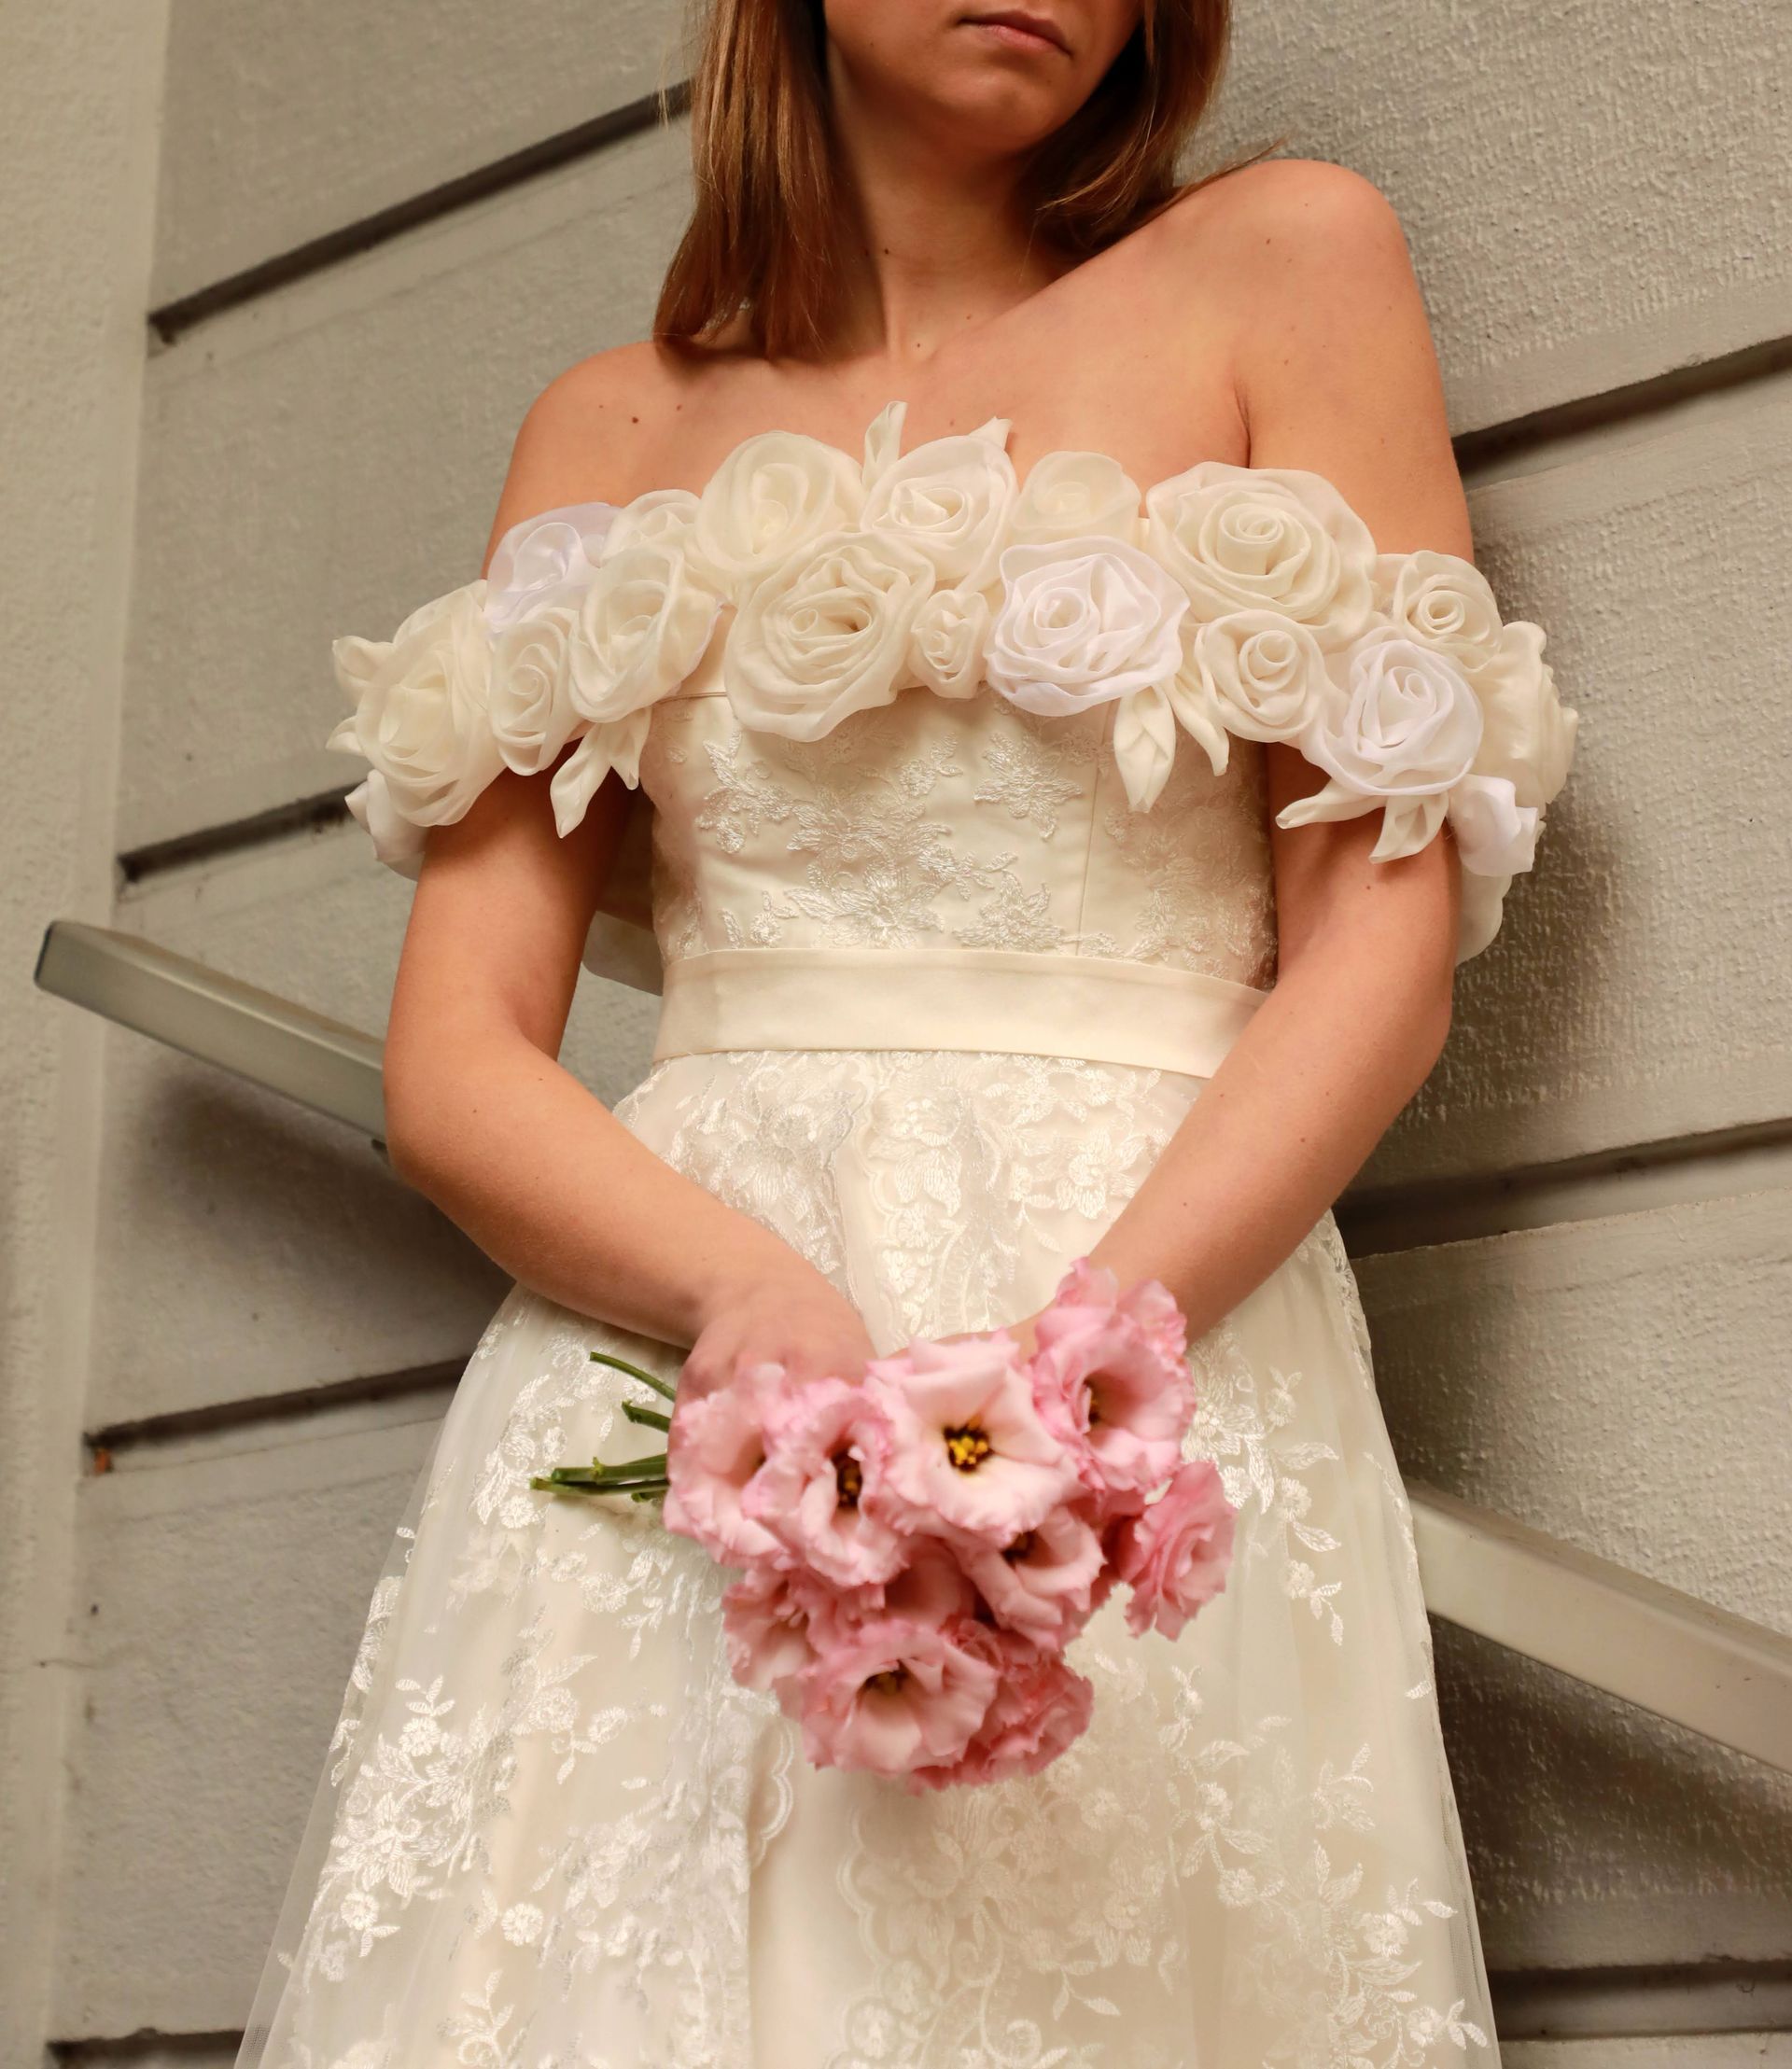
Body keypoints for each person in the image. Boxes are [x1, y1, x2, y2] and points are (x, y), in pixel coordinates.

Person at [237, 1, 1578, 2062]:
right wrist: (743, 1292)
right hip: (696, 1374)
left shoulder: (1282, 264)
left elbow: (1377, 958)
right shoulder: (606, 428)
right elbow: (460, 1060)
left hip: (1153, 1340)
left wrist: (1065, 1390)